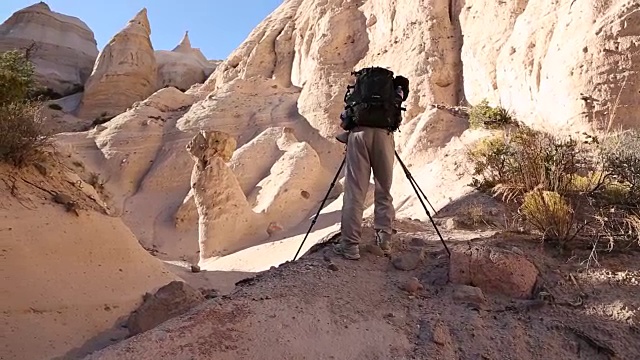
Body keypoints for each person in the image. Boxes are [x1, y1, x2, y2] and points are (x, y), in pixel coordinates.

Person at [333, 76, 407, 260]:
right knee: (384, 190)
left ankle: (350, 246)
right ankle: (384, 241)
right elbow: (399, 108)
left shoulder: (358, 92)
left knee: (355, 193)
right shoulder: (395, 90)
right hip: (384, 136)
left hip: (358, 136)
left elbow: (345, 118)